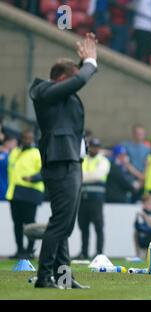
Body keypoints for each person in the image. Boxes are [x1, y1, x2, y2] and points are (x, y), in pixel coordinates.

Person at [29, 33, 98, 289]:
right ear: (60, 79)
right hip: (61, 162)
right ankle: (44, 277)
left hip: (70, 161)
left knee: (64, 222)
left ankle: (63, 277)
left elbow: (76, 80)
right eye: (69, 80)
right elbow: (77, 81)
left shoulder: (55, 93)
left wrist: (84, 64)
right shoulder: (43, 91)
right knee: (61, 223)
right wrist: (90, 64)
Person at [6, 130, 44, 260]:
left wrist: (33, 178)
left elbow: (45, 171)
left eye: (30, 138)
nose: (27, 140)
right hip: (14, 192)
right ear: (21, 138)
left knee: (30, 224)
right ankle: (20, 250)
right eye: (25, 138)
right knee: (17, 223)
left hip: (30, 192)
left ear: (33, 139)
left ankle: (30, 250)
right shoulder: (15, 152)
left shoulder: (37, 153)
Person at [76, 138, 111, 260]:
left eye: (96, 147)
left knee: (98, 226)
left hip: (96, 199)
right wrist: (86, 176)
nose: (93, 149)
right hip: (83, 198)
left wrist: (84, 176)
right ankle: (84, 252)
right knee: (83, 226)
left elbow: (98, 175)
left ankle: (99, 253)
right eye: (92, 146)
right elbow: (78, 174)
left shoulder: (103, 161)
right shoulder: (83, 159)